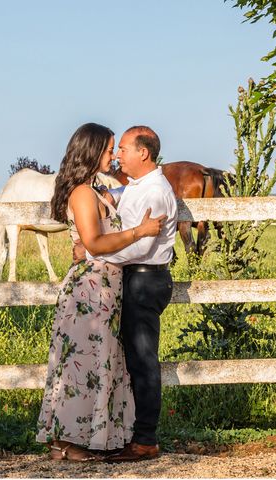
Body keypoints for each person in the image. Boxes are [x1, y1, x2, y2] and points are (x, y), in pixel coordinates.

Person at [36, 123, 168, 462]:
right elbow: (94, 242)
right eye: (110, 149)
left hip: (106, 285)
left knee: (98, 364)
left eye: (118, 149)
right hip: (91, 287)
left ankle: (91, 436)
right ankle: (64, 443)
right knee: (80, 364)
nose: (114, 155)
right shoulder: (82, 192)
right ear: (93, 151)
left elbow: (97, 236)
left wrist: (110, 203)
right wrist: (139, 231)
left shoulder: (96, 190)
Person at [78, 126, 178, 462]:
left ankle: (146, 439)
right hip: (138, 278)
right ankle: (133, 432)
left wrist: (91, 253)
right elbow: (121, 209)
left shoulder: (154, 192)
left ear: (143, 153)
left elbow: (142, 245)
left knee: (143, 359)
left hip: (145, 279)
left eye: (122, 148)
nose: (118, 154)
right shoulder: (138, 186)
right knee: (133, 358)